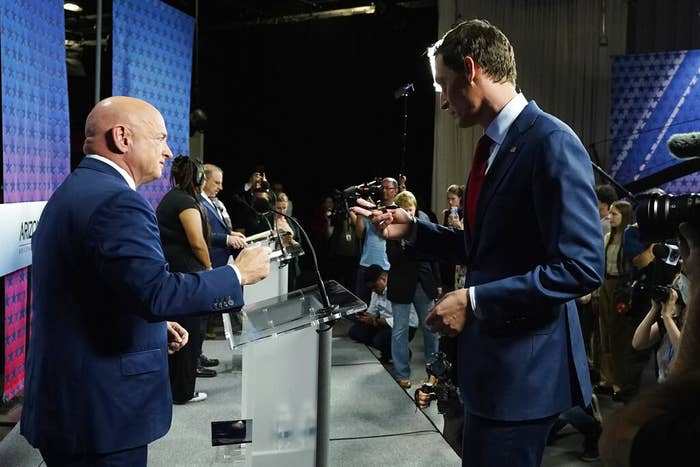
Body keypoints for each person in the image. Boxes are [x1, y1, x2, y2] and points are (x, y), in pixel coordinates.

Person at [353, 19, 603, 466]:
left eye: (444, 85)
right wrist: (413, 228)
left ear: (471, 70)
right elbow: (485, 246)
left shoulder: (551, 142)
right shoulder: (493, 145)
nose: (442, 100)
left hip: (522, 375)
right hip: (494, 368)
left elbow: (582, 267)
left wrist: (475, 301)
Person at [20, 96, 271, 467]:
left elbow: (93, 290)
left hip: (73, 401)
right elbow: (157, 292)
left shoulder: (77, 189)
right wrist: (238, 274)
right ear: (122, 137)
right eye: (160, 138)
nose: (169, 152)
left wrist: (151, 328)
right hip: (101, 412)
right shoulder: (117, 202)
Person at [599, 221, 700, 467]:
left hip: (674, 408)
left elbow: (618, 439)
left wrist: (669, 316)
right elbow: (638, 342)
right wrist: (656, 309)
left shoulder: (686, 330)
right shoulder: (673, 319)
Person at [157, 156, 216, 400]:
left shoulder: (173, 198)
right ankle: (183, 392)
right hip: (187, 276)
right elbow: (196, 241)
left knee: (182, 335)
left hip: (176, 274)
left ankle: (176, 389)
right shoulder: (185, 202)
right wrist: (210, 268)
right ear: (199, 177)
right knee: (189, 334)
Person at [200, 163, 247, 359]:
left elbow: (216, 227)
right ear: (203, 180)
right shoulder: (197, 202)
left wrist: (231, 233)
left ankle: (198, 356)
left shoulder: (211, 202)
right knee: (200, 314)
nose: (220, 187)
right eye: (216, 182)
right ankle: (195, 358)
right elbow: (202, 234)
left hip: (219, 260)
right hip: (206, 262)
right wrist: (227, 239)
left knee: (203, 315)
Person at [347, 264, 417, 362]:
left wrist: (376, 321)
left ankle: (403, 352)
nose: (373, 290)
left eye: (375, 286)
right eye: (371, 288)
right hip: (383, 324)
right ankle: (389, 350)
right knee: (355, 331)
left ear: (383, 279)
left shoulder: (399, 289)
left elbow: (402, 318)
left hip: (405, 326)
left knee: (380, 340)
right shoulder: (376, 291)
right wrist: (365, 316)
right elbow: (372, 311)